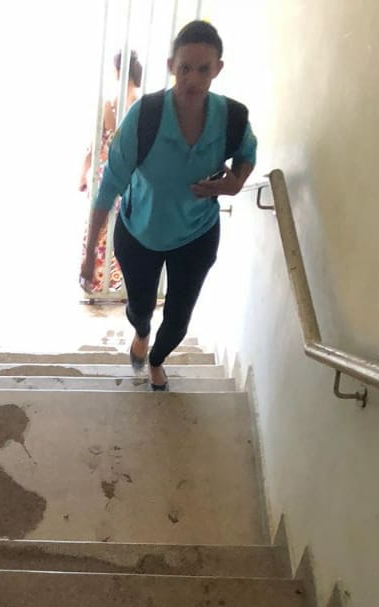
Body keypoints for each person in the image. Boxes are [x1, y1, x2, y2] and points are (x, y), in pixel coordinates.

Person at [80, 20, 257, 389]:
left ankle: (157, 359)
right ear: (170, 66)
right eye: (184, 68)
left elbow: (247, 153)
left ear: (218, 68)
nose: (193, 79)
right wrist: (89, 252)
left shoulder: (232, 117)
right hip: (139, 232)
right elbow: (110, 184)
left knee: (178, 319)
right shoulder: (145, 116)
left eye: (203, 69)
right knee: (140, 307)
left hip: (197, 234)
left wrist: (237, 181)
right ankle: (141, 333)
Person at [77, 49, 144, 296]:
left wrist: (82, 174)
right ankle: (124, 286)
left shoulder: (110, 104)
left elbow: (96, 145)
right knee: (128, 232)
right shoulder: (144, 105)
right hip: (135, 180)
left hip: (107, 176)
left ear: (118, 71)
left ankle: (96, 283)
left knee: (100, 231)